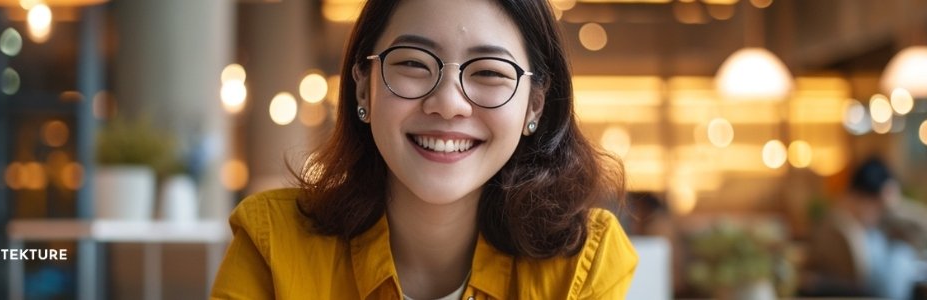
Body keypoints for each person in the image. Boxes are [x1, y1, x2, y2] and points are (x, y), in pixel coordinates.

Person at [211, 0, 637, 299]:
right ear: (363, 85)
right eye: (414, 63)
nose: (448, 104)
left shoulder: (584, 264)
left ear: (535, 104)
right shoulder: (272, 243)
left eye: (489, 72)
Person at [803, 157, 927, 300]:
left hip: (875, 290)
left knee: (902, 253)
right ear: (860, 196)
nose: (879, 212)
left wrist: (895, 205)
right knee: (902, 254)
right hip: (869, 293)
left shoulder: (873, 227)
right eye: (877, 204)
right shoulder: (840, 228)